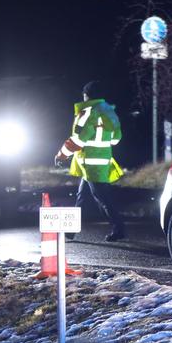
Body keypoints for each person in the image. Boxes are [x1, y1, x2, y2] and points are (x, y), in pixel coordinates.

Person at [54, 81, 125, 242]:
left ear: (86, 95)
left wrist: (62, 155)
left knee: (102, 197)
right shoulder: (110, 112)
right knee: (82, 196)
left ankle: (119, 228)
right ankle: (71, 231)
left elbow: (78, 139)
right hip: (102, 160)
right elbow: (116, 139)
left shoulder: (87, 113)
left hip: (90, 163)